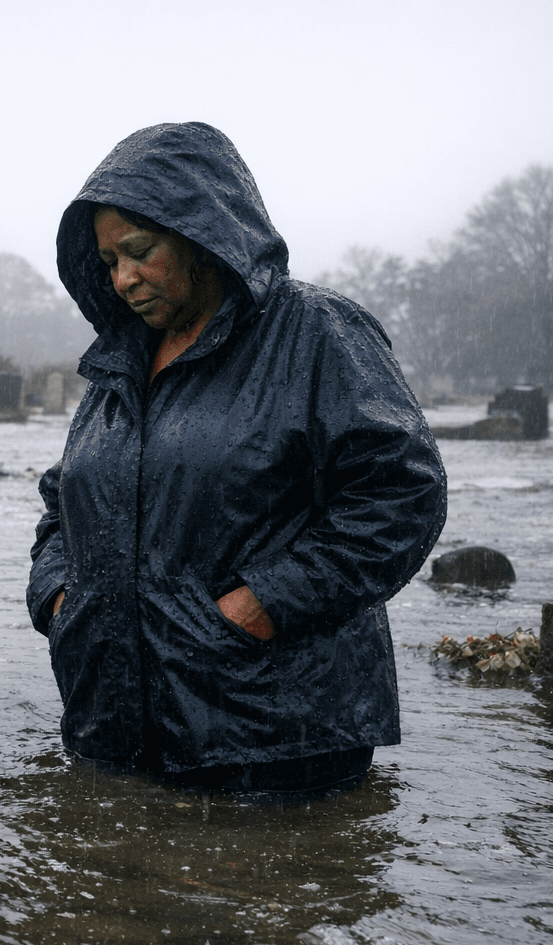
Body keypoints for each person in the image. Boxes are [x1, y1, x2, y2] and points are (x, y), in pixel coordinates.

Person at [27, 122, 448, 800]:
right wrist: (58, 597)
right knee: (105, 895)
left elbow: (401, 495)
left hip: (275, 744)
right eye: (108, 262)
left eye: (139, 251)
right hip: (116, 734)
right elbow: (65, 498)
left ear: (201, 235)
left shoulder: (315, 333)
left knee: (267, 898)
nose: (124, 278)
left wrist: (265, 604)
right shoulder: (120, 362)